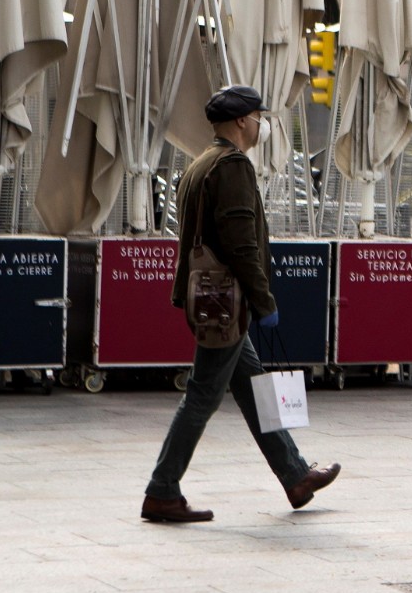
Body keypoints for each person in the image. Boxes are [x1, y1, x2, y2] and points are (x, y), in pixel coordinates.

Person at [140, 84, 340, 523]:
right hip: (225, 303)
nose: (261, 124)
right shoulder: (231, 167)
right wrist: (263, 300)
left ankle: (295, 475)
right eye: (257, 116)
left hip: (211, 300)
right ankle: (162, 490)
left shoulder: (200, 165)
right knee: (202, 395)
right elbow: (241, 243)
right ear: (240, 122)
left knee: (253, 390)